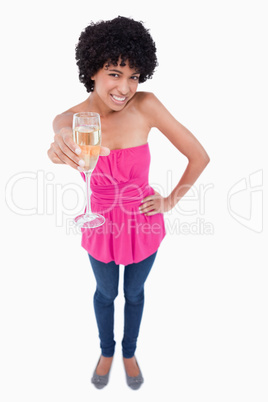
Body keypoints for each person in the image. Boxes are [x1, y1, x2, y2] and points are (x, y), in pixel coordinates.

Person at [47, 16, 210, 390]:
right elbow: (60, 128)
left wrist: (168, 202)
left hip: (143, 222)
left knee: (134, 293)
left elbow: (199, 156)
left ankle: (129, 351)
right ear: (92, 70)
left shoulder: (147, 106)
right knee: (106, 293)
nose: (125, 87)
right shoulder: (73, 119)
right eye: (114, 73)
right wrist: (59, 142)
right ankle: (107, 350)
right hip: (100, 223)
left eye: (134, 76)